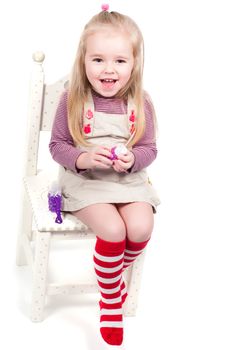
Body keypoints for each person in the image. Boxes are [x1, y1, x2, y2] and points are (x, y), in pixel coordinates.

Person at [49, 4, 160, 346]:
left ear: (134, 63)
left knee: (140, 227)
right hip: (85, 180)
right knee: (113, 230)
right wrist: (83, 157)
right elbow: (57, 145)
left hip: (125, 179)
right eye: (98, 59)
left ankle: (109, 276)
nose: (108, 69)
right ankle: (111, 299)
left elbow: (149, 149)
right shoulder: (72, 99)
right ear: (83, 60)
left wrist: (132, 159)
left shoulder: (141, 102)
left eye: (119, 60)